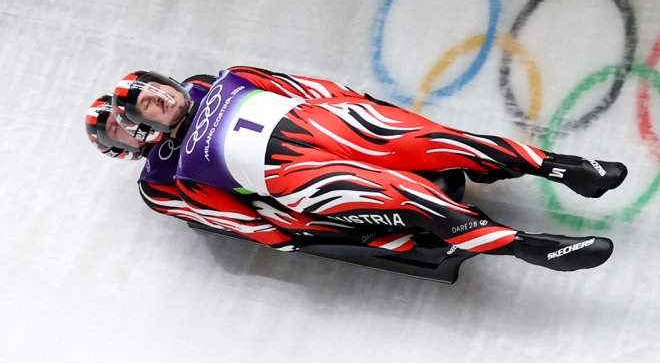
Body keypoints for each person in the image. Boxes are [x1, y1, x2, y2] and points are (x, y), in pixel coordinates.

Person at [110, 66, 627, 271]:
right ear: (144, 126)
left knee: (445, 142)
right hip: (292, 179)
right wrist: (293, 233)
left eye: (156, 88)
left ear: (168, 80)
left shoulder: (218, 79)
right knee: (406, 195)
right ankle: (530, 246)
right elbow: (231, 216)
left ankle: (566, 169)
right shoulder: (165, 175)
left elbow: (295, 86)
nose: (157, 99)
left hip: (325, 123)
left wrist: (355, 101)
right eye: (146, 106)